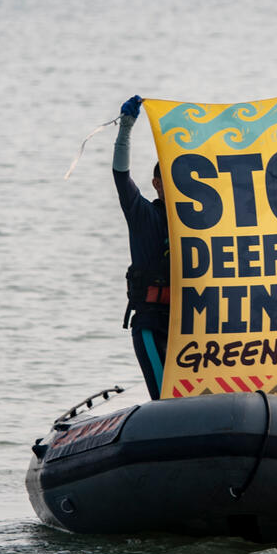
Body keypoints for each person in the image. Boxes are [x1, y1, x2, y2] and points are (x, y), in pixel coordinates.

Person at [112, 95, 169, 400]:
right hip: (150, 324)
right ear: (156, 183)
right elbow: (121, 177)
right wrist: (126, 128)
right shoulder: (142, 213)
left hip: (189, 327)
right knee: (167, 401)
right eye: (168, 179)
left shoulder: (198, 224)